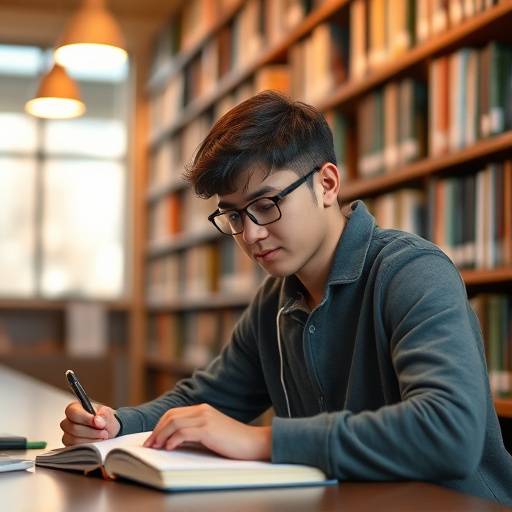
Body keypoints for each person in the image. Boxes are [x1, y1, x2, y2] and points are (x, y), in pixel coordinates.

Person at [60, 91, 512, 505]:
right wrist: (120, 424)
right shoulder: (274, 298)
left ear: (327, 185)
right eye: (235, 215)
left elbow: (449, 431)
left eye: (266, 204)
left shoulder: (412, 272)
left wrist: (263, 441)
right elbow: (211, 396)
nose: (252, 234)